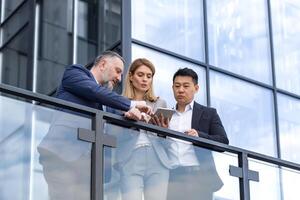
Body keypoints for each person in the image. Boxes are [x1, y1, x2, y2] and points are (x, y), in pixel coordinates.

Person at [38, 51, 151, 200]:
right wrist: (132, 104)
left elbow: (118, 128)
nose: (118, 78)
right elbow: (93, 91)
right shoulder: (75, 73)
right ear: (103, 64)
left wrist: (133, 119)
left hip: (90, 166)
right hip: (63, 154)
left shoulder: (107, 103)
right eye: (117, 71)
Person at [107, 58, 171, 200]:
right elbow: (111, 135)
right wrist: (129, 120)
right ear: (130, 76)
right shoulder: (118, 102)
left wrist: (163, 131)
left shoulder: (160, 103)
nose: (145, 80)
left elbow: (169, 143)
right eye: (140, 75)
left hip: (158, 159)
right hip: (130, 157)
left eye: (149, 76)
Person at [162, 68, 229, 200]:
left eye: (186, 86)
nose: (180, 90)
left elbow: (223, 142)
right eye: (177, 86)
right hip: (171, 178)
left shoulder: (209, 113)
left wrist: (199, 136)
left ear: (196, 88)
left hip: (199, 177)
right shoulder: (165, 116)